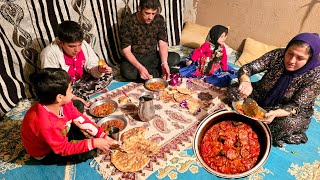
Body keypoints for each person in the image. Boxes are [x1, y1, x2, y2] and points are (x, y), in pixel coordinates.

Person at [227, 33, 320, 147]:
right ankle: (257, 120)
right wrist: (245, 81)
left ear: (310, 59)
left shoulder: (315, 76)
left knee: (287, 124)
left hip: (287, 109)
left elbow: (295, 106)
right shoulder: (278, 55)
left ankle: (259, 122)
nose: (291, 60)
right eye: (290, 53)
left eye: (300, 58)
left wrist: (276, 113)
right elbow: (248, 68)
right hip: (261, 94)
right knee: (234, 90)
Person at [21, 68, 120, 164]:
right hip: (47, 150)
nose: (72, 90)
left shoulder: (61, 103)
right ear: (59, 97)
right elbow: (62, 148)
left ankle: (72, 135)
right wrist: (94, 143)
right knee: (89, 152)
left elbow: (80, 118)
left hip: (57, 131)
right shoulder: (45, 124)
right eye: (70, 89)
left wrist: (103, 135)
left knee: (77, 104)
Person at [40, 20, 113, 112]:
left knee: (108, 75)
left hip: (81, 81)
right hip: (64, 87)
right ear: (61, 42)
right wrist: (72, 96)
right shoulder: (49, 54)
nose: (77, 50)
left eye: (79, 45)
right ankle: (80, 95)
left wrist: (99, 70)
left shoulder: (84, 45)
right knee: (75, 106)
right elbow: (52, 84)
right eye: (71, 46)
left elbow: (91, 66)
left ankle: (82, 94)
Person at [119, 0, 180, 81]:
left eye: (153, 13)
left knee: (175, 58)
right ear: (139, 8)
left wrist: (164, 63)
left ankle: (149, 74)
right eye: (147, 13)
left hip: (152, 56)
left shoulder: (159, 19)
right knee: (126, 72)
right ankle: (158, 73)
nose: (150, 17)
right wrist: (140, 67)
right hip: (135, 59)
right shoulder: (128, 22)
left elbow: (162, 42)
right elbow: (126, 50)